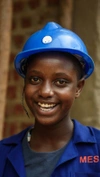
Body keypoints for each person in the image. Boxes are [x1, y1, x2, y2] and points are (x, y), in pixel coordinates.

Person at [0, 22, 100, 177]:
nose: (45, 92)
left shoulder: (97, 150)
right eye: (35, 79)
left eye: (61, 81)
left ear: (78, 88)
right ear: (25, 83)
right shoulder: (3, 154)